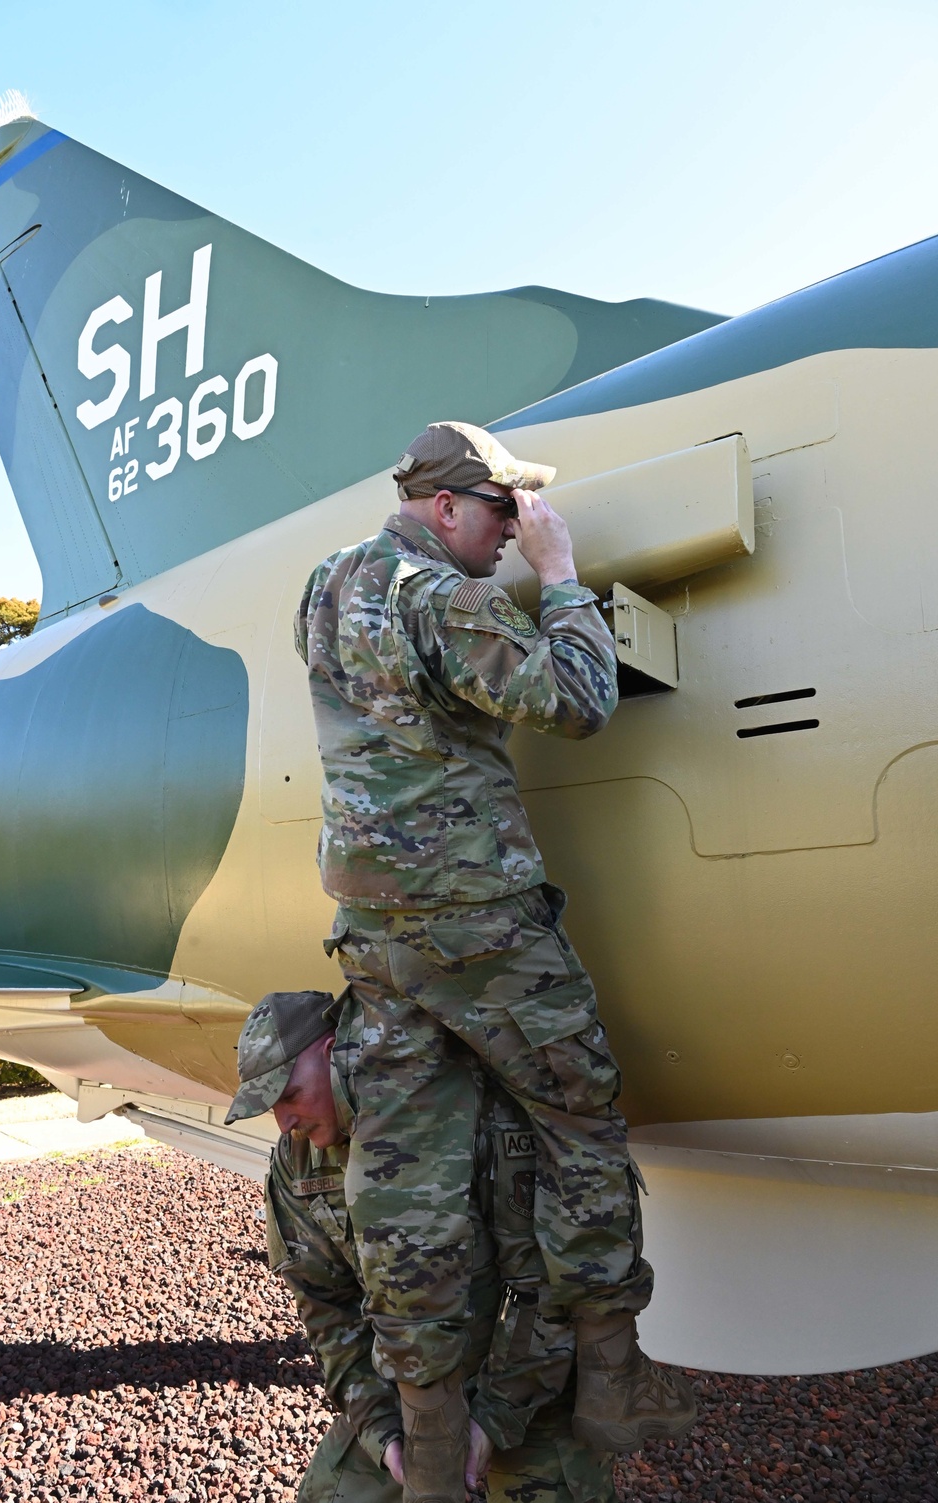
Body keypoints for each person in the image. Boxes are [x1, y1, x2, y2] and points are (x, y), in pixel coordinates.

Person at [293, 421, 696, 1493]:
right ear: (446, 508)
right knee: (576, 1119)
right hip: (478, 922)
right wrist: (558, 578)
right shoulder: (445, 596)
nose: (514, 531)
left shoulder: (326, 585)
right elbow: (573, 703)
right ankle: (611, 1380)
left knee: (406, 1166)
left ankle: (428, 1444)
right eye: (505, 511)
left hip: (375, 928)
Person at [225, 990, 623, 1503]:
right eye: (270, 1106)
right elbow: (329, 1311)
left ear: (330, 1053)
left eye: (289, 1095)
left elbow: (551, 1288)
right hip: (409, 1387)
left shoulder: (470, 1115)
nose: (285, 1122)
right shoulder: (298, 1164)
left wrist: (493, 1420)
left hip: (527, 1377)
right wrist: (382, 1433)